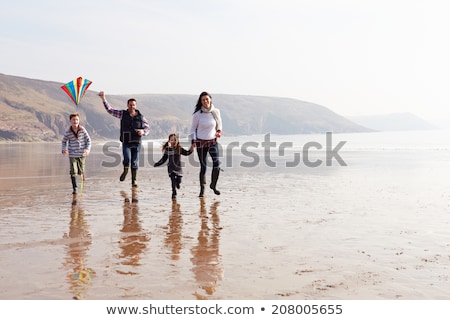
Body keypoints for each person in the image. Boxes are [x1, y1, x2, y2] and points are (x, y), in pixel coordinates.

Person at [98, 91, 150, 187]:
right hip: (126, 141)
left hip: (137, 142)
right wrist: (103, 99)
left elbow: (147, 128)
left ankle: (134, 180)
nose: (132, 106)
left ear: (136, 106)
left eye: (133, 105)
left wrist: (143, 132)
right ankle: (125, 171)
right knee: (127, 159)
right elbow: (110, 110)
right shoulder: (122, 114)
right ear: (127, 105)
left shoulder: (141, 117)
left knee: (135, 161)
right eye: (130, 105)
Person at [190, 91, 223, 197]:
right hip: (201, 142)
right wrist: (193, 141)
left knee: (216, 164)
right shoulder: (197, 115)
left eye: (207, 99)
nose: (205, 101)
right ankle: (202, 189)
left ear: (210, 100)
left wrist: (219, 131)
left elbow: (219, 124)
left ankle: (213, 185)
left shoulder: (216, 111)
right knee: (203, 167)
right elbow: (192, 129)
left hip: (213, 141)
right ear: (201, 101)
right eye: (203, 100)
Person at [154, 133, 194, 199]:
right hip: (171, 168)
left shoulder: (179, 149)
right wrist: (157, 163)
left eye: (174, 140)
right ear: (169, 141)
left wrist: (191, 149)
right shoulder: (167, 150)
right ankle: (174, 192)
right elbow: (164, 159)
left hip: (178, 168)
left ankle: (177, 183)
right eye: (171, 140)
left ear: (177, 141)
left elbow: (187, 153)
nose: (173, 141)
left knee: (179, 180)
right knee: (172, 180)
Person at [61, 113, 91, 194]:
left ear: (79, 121)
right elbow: (64, 141)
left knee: (80, 171)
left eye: (77, 119)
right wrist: (64, 149)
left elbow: (88, 140)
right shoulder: (68, 132)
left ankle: (82, 174)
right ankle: (75, 188)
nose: (75, 121)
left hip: (82, 154)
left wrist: (87, 150)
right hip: (72, 154)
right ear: (70, 121)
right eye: (73, 119)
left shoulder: (82, 130)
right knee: (73, 171)